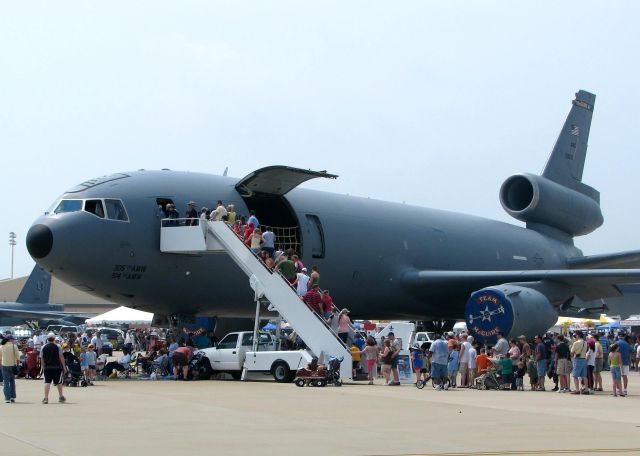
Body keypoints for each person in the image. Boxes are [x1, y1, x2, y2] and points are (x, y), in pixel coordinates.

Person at [41, 333, 67, 404]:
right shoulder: (58, 346)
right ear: (54, 339)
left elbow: (42, 359)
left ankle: (46, 398)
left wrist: (43, 368)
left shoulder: (43, 347)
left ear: (47, 338)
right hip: (57, 367)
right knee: (59, 382)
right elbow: (61, 357)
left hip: (47, 367)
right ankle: (61, 396)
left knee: (47, 382)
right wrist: (64, 367)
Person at [0, 335, 20, 403]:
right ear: (10, 340)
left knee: (5, 382)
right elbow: (18, 357)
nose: (14, 340)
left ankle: (7, 398)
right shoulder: (14, 346)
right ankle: (12, 397)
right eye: (13, 339)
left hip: (4, 365)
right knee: (12, 381)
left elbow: (0, 357)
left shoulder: (1, 346)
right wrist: (18, 365)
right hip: (12, 365)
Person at [615, 332, 630, 397]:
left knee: (618, 376)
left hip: (617, 362)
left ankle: (618, 390)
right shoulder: (627, 344)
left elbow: (612, 351)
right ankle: (625, 390)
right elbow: (632, 351)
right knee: (625, 376)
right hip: (626, 361)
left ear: (619, 336)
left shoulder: (616, 343)